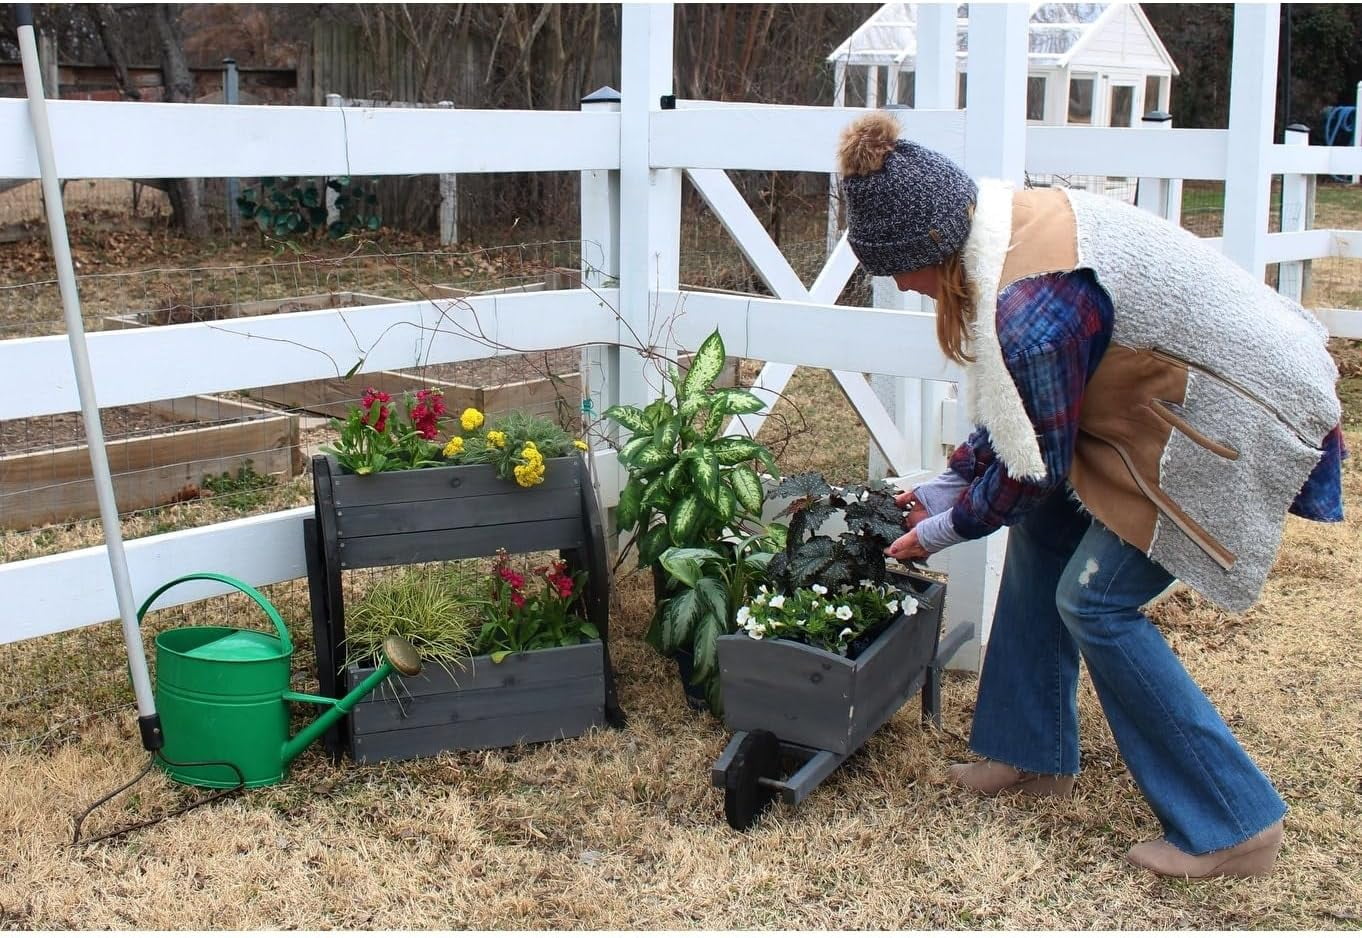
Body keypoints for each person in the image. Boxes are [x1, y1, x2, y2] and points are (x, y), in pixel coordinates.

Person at [836, 112, 1346, 879]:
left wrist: (940, 531)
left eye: (898, 269)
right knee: (1044, 536)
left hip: (1237, 414)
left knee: (1096, 602)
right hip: (1176, 398)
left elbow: (1032, 464)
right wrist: (944, 484)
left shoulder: (1032, 304)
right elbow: (1025, 408)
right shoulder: (1001, 230)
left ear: (931, 252)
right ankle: (1030, 754)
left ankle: (1236, 824)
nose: (901, 286)